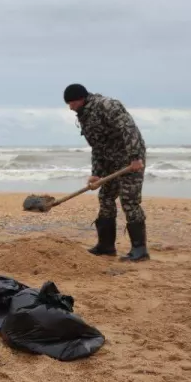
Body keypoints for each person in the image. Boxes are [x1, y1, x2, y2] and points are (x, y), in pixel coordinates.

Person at [64, 83, 149, 262]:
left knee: (129, 200)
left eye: (71, 103)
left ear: (81, 99)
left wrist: (134, 157)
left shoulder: (107, 105)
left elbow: (129, 129)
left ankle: (140, 250)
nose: (70, 107)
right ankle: (106, 246)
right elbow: (97, 146)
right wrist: (97, 173)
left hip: (129, 158)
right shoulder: (84, 115)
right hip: (109, 160)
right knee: (105, 198)